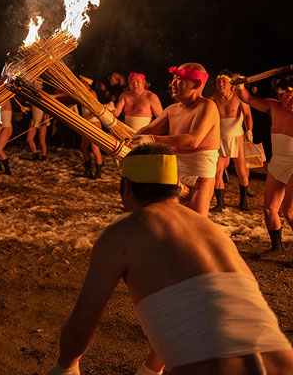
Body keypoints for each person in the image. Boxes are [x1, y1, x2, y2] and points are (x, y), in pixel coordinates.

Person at [48, 144, 293, 375]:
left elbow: (80, 329)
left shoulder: (124, 233)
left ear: (126, 187)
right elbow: (203, 305)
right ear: (176, 185)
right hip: (282, 363)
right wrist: (151, 370)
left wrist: (64, 368)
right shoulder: (212, 232)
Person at [133, 63, 220, 216]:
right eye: (173, 78)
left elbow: (193, 140)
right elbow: (148, 130)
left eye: (179, 79)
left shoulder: (207, 106)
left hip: (200, 174)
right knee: (170, 219)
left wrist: (152, 139)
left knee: (195, 222)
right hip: (174, 170)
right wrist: (128, 140)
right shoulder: (172, 110)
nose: (172, 83)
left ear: (196, 83)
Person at [237, 76, 293, 254]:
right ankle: (277, 247)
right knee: (269, 209)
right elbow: (247, 98)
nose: (292, 100)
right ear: (280, 95)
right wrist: (239, 85)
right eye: (288, 95)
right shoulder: (273, 107)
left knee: (289, 211)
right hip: (277, 163)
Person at [209, 70, 253, 212]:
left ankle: (243, 201)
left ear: (231, 85)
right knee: (217, 172)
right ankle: (220, 204)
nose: (221, 84)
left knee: (242, 172)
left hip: (237, 137)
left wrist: (249, 131)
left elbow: (247, 115)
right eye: (218, 82)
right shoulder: (213, 100)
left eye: (224, 82)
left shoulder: (239, 98)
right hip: (219, 138)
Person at [78, 76, 103, 179]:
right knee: (84, 148)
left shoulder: (92, 93)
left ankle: (98, 172)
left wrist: (86, 120)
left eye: (81, 82)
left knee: (94, 147)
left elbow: (96, 111)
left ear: (85, 83)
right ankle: (88, 170)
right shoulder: (81, 93)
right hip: (87, 123)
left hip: (94, 123)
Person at [24, 79, 50, 161]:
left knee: (42, 141)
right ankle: (35, 155)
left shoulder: (44, 96)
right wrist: (25, 109)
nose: (37, 86)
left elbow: (48, 109)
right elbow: (32, 109)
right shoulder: (32, 95)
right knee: (29, 139)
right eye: (35, 84)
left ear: (42, 86)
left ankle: (44, 157)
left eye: (38, 85)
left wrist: (46, 119)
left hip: (43, 120)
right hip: (34, 120)